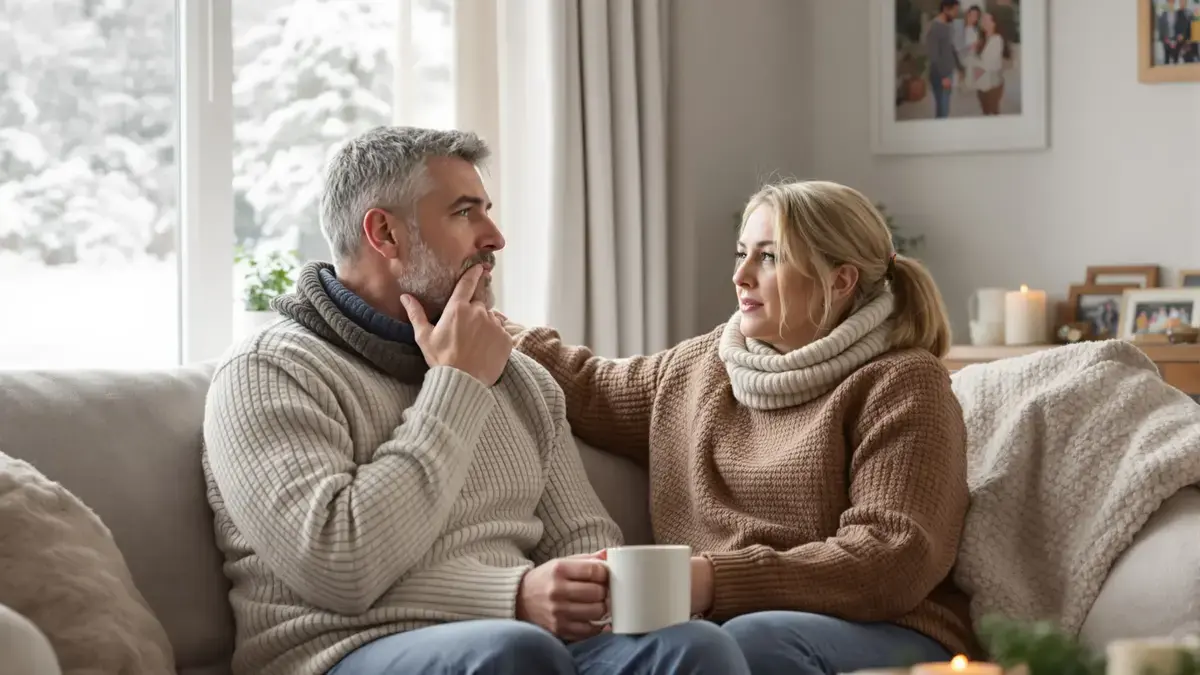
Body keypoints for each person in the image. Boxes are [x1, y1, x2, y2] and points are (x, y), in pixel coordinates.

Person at [202, 126, 750, 675]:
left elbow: (582, 541)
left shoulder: (520, 378)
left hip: (518, 639)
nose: (494, 237)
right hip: (341, 650)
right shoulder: (269, 370)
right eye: (466, 213)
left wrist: (593, 591)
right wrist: (457, 385)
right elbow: (339, 565)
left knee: (696, 648)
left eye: (486, 210)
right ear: (385, 234)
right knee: (512, 655)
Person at [505, 180, 977, 675]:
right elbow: (590, 386)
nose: (741, 276)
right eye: (742, 253)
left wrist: (712, 580)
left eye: (769, 257)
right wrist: (486, 326)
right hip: (722, 628)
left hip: (891, 629)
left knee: (752, 639)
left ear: (841, 280)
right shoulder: (701, 365)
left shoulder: (902, 381)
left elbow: (892, 557)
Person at [925, 0, 963, 118]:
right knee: (943, 110)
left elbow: (951, 48)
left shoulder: (947, 26)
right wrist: (943, 77)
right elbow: (933, 55)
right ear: (946, 9)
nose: (956, 14)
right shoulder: (935, 28)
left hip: (947, 73)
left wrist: (960, 66)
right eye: (954, 10)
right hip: (940, 75)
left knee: (944, 109)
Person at [971, 12, 1010, 115]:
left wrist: (974, 60)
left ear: (994, 23)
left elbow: (988, 65)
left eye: (987, 20)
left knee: (993, 112)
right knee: (985, 111)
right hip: (981, 84)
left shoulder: (997, 40)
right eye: (982, 20)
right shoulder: (982, 40)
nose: (984, 22)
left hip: (993, 85)